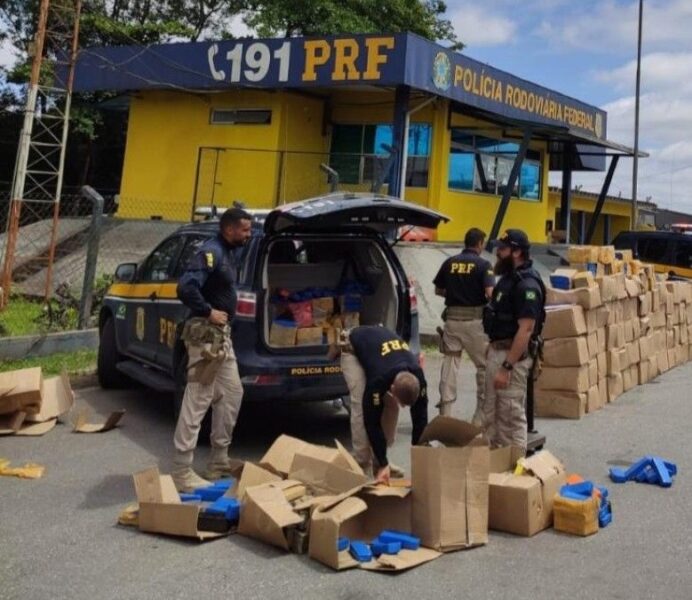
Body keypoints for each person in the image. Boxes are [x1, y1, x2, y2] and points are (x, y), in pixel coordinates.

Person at [172, 207, 252, 492]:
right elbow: (185, 288)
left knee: (232, 392)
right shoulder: (211, 252)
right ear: (228, 229)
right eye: (244, 229)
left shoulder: (229, 251)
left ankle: (219, 460)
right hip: (206, 336)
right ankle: (182, 471)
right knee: (198, 398)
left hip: (222, 338)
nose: (248, 234)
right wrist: (208, 312)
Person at [332, 326, 428, 485]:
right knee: (361, 406)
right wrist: (384, 462)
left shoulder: (418, 376)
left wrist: (419, 457)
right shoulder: (378, 381)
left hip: (380, 352)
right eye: (402, 402)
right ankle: (362, 463)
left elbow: (420, 417)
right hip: (353, 349)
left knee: (392, 406)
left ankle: (379, 461)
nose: (404, 408)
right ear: (391, 388)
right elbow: (372, 422)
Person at [481, 229, 545, 451]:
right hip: (498, 352)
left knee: (510, 417)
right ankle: (495, 472)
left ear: (517, 252)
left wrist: (507, 367)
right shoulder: (508, 280)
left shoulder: (527, 285)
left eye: (503, 249)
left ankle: (515, 475)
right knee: (491, 416)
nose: (498, 252)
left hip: (512, 359)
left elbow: (526, 329)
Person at [433, 227, 494, 421]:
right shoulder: (484, 265)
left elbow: (438, 290)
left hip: (451, 322)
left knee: (450, 365)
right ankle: (480, 417)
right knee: (484, 366)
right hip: (475, 323)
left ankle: (445, 414)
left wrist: (454, 294)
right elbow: (490, 293)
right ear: (479, 244)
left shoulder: (449, 262)